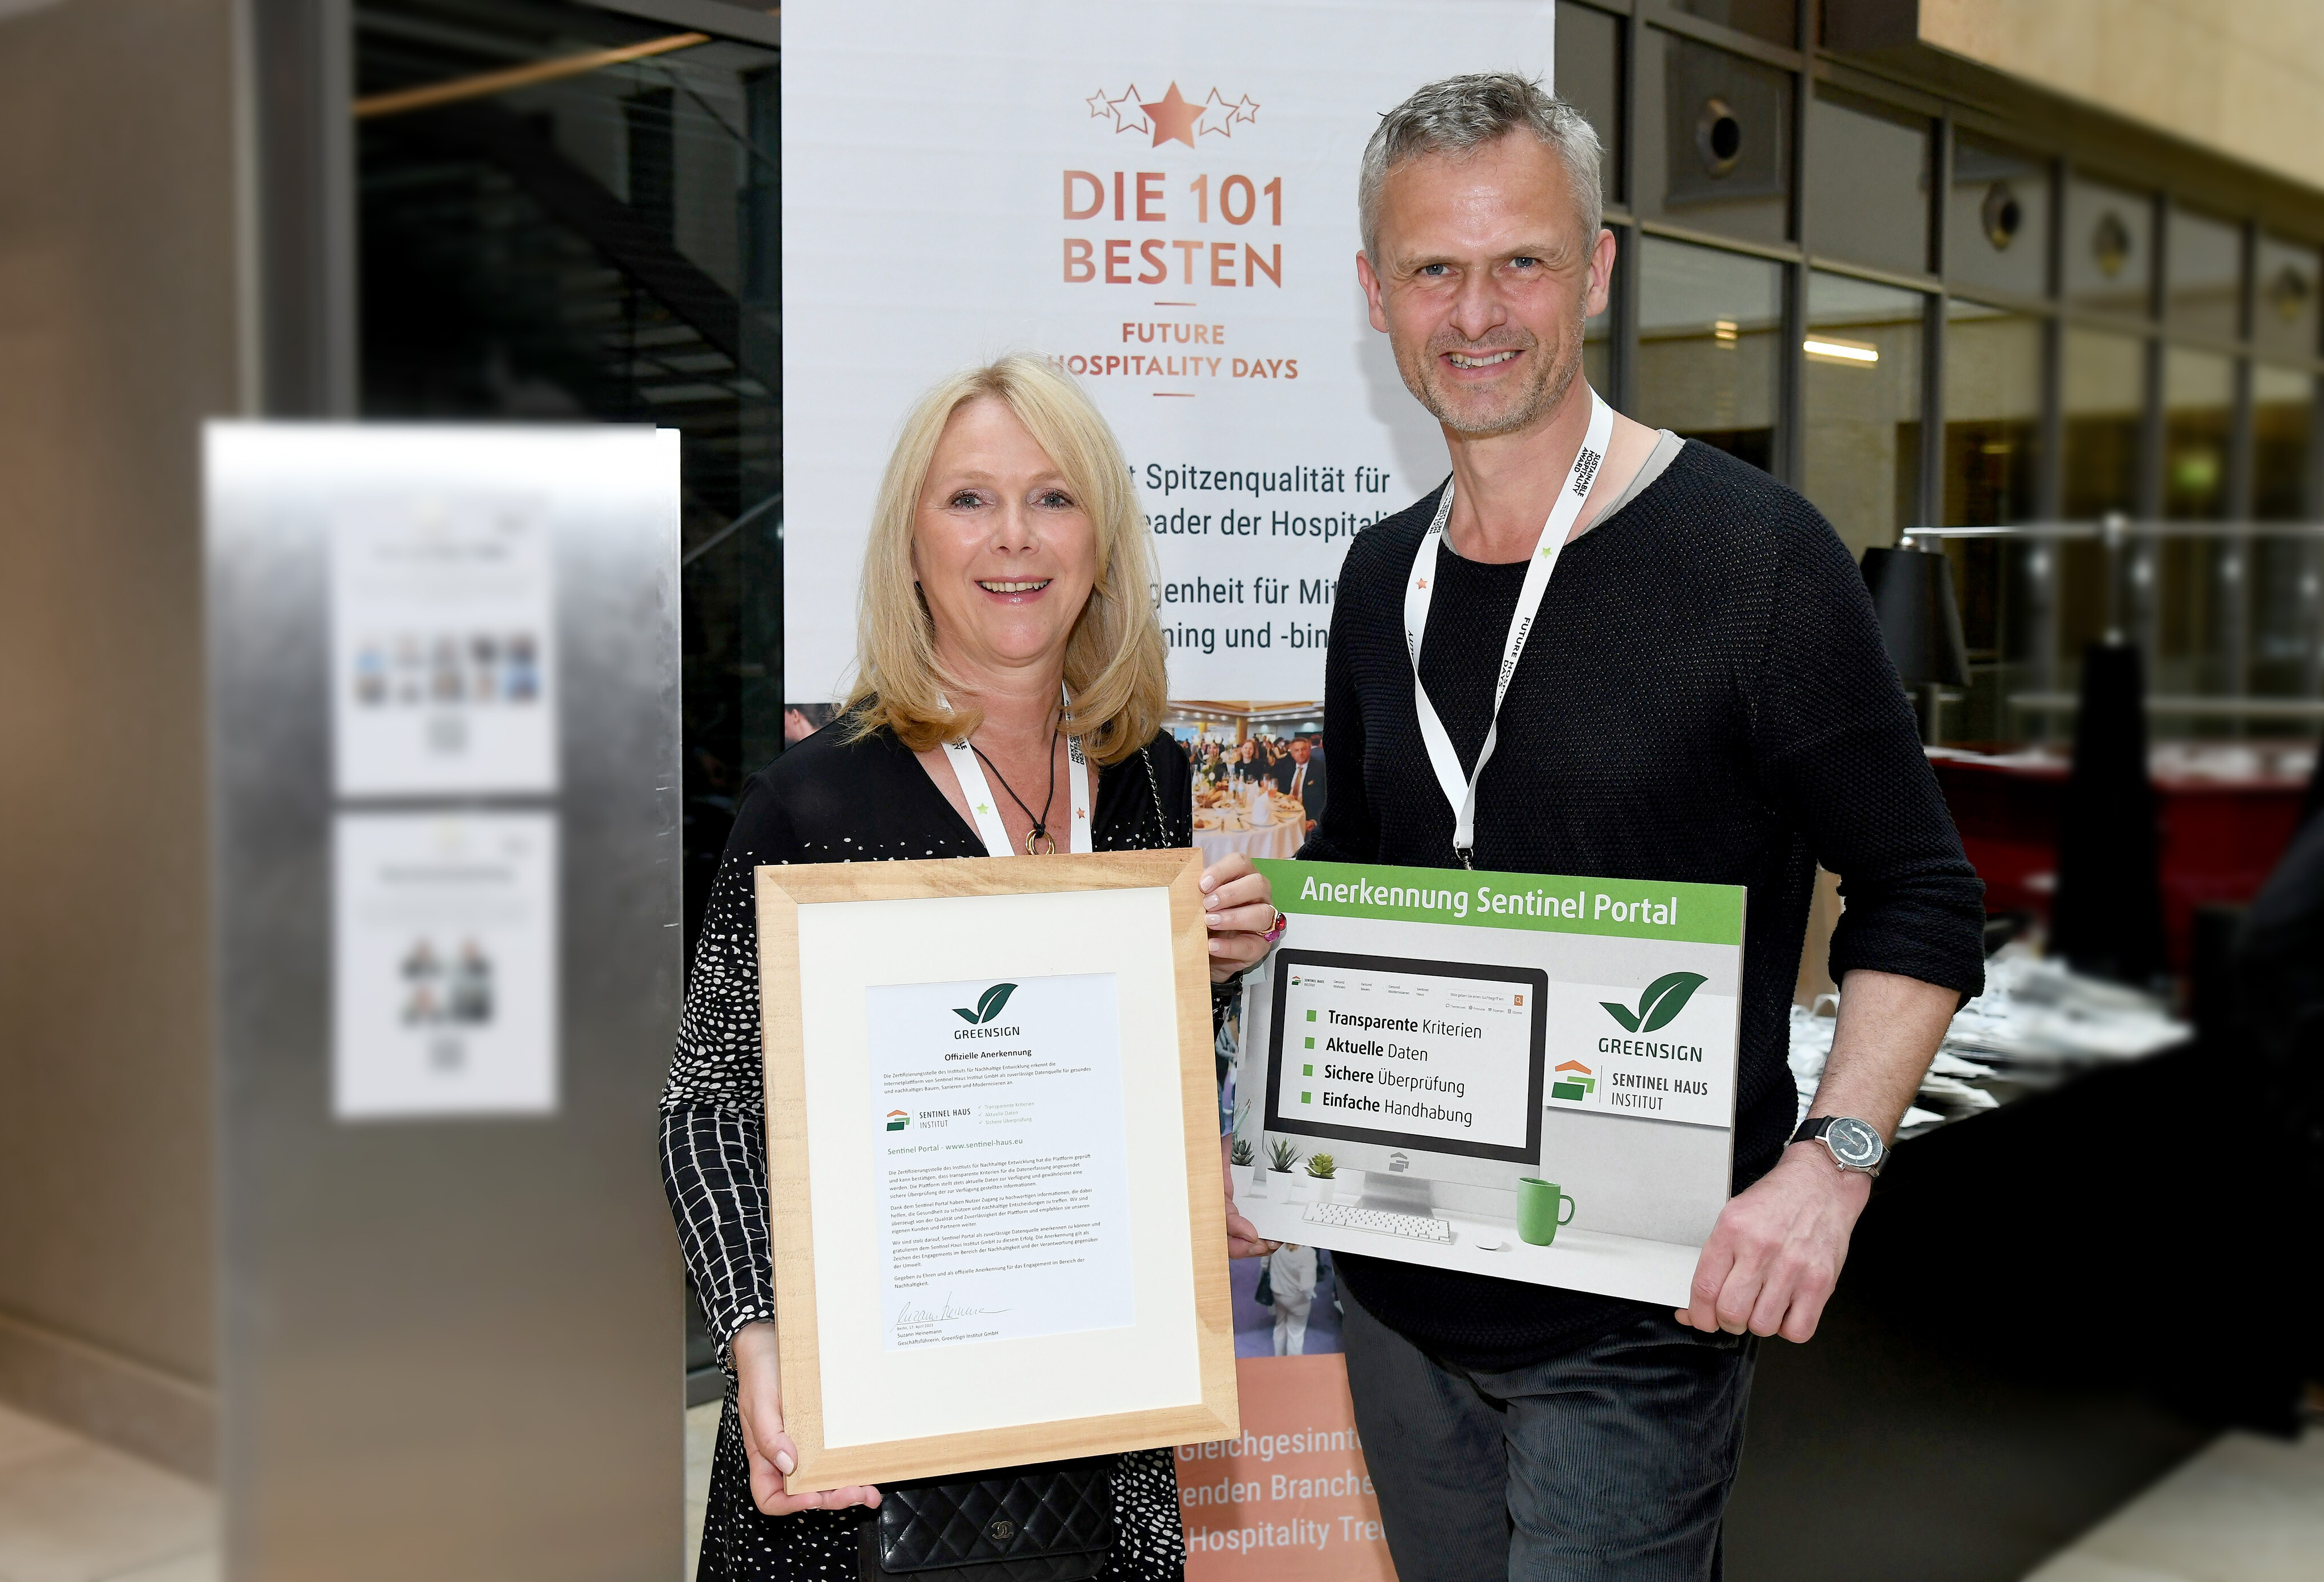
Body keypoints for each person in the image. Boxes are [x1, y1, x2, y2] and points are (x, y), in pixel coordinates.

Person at [1302, 74, 1985, 1581]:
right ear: (1375, 293)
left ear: (1597, 270)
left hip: (1634, 1321)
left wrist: (1836, 1161)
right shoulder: (1375, 581)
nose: (1477, 312)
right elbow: (1357, 886)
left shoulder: (1759, 562)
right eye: (1434, 269)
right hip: (1405, 1300)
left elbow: (1923, 893)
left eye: (1522, 261)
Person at [661, 355, 1280, 1580]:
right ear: (909, 541)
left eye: (1054, 499)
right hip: (868, 1433)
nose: (1015, 539)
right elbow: (709, 1108)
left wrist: (1204, 977)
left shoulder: (1148, 774)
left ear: (1103, 538)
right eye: (969, 501)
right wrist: (760, 1339)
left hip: (1099, 1406)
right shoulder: (814, 796)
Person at [1269, 735, 1325, 829]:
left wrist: (1315, 820)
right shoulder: (1287, 766)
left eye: (1304, 750)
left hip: (1308, 817)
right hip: (1285, 813)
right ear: (1292, 754)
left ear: (1309, 750)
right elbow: (1277, 786)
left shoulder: (1321, 769)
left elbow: (1327, 800)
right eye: (1296, 750)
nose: (1301, 753)